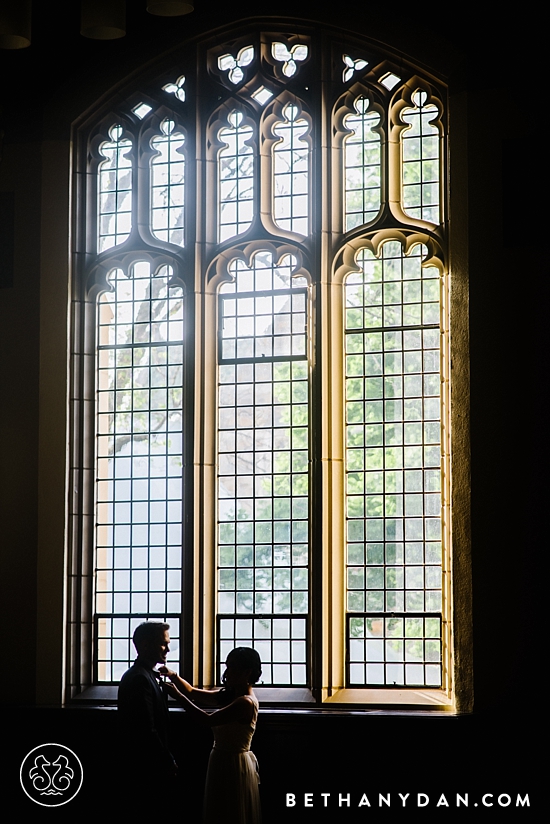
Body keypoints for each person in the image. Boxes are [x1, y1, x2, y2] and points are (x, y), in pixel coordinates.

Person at [161, 647, 262, 824]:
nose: (226, 672)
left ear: (247, 672)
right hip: (221, 758)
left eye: (232, 667)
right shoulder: (232, 696)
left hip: (233, 763)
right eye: (227, 666)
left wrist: (177, 697)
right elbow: (192, 692)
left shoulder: (245, 702)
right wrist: (173, 675)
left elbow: (207, 719)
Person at [117, 621, 178, 793]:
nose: (167, 649)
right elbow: (146, 728)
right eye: (163, 644)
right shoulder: (140, 679)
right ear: (145, 645)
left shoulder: (145, 675)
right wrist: (167, 760)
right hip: (146, 765)